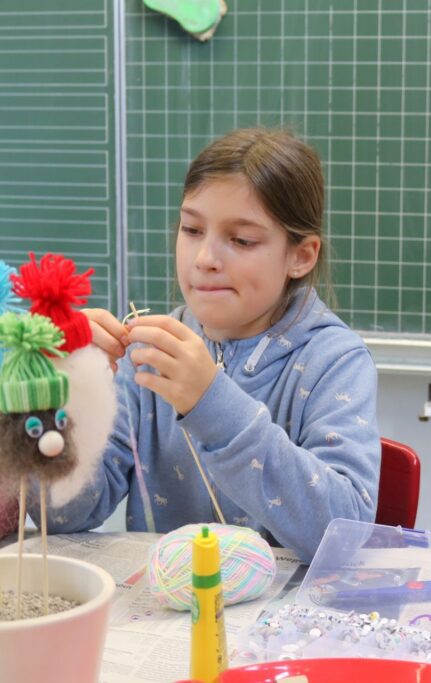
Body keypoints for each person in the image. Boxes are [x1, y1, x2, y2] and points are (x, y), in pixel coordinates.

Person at [43, 128, 380, 562]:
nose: (204, 258)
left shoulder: (334, 362)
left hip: (280, 605)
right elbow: (64, 515)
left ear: (301, 256)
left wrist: (212, 403)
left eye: (241, 240)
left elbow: (345, 534)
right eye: (191, 229)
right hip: (166, 600)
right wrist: (59, 396)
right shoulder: (149, 354)